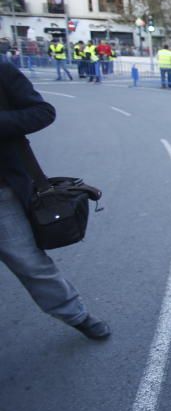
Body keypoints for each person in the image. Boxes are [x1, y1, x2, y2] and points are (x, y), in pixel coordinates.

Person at [0, 61, 110, 340]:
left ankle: (77, 315)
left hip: (3, 193)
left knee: (29, 263)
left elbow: (42, 112)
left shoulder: (3, 70)